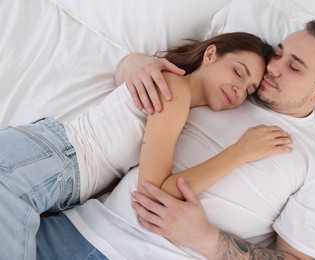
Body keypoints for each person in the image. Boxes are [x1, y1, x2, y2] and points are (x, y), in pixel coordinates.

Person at [34, 19, 315, 260]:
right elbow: (146, 89)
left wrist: (210, 241)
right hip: (72, 228)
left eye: (294, 67)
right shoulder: (230, 88)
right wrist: (134, 64)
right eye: (279, 54)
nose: (273, 67)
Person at [0, 32, 293, 260]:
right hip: (54, 159)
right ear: (211, 55)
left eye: (250, 89)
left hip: (56, 170)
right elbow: (153, 193)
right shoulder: (174, 89)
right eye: (238, 73)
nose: (239, 90)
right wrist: (239, 152)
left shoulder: (182, 105)